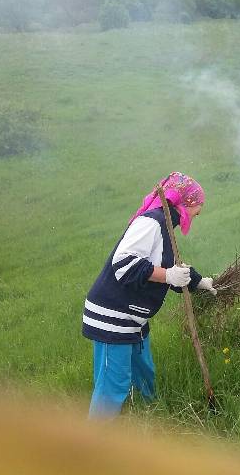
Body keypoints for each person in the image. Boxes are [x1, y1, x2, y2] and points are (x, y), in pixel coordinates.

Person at [82, 172, 217, 418]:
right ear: (186, 202)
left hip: (134, 317)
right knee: (113, 384)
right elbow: (124, 265)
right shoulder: (151, 223)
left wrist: (198, 282)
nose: (199, 212)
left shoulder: (165, 225)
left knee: (145, 374)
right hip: (113, 316)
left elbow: (166, 265)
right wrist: (168, 276)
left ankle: (149, 420)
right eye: (198, 206)